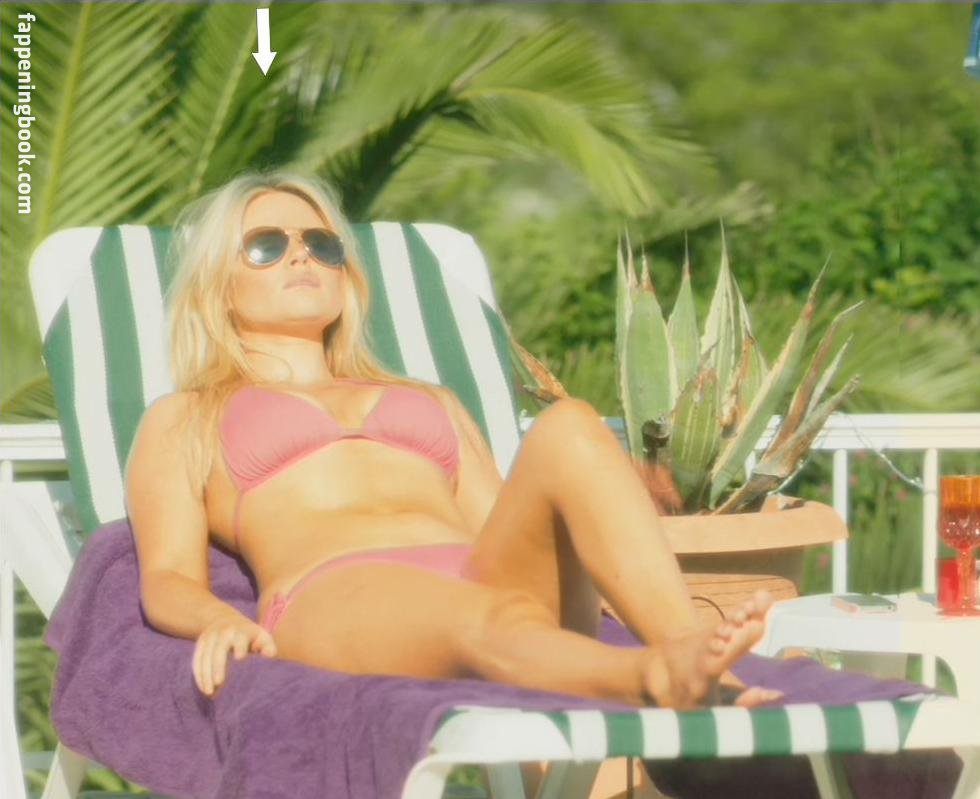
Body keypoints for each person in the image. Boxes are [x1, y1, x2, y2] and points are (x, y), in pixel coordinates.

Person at [124, 172, 773, 707]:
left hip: (481, 579)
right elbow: (168, 576)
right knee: (482, 617)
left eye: (321, 244)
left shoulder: (428, 399)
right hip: (337, 594)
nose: (301, 256)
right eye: (266, 245)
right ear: (218, 286)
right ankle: (653, 679)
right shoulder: (187, 416)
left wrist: (593, 561)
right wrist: (220, 621)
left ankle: (687, 650)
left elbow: (501, 527)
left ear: (346, 275)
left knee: (572, 424)